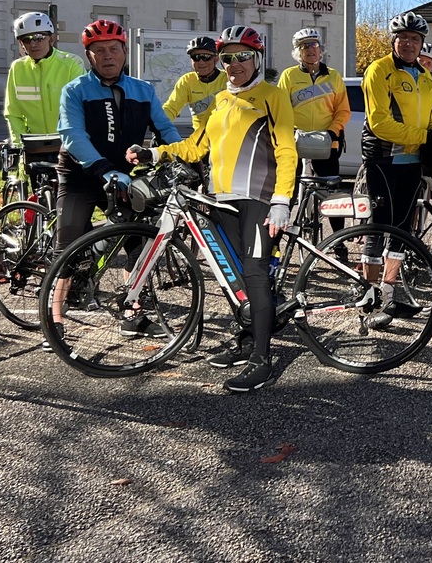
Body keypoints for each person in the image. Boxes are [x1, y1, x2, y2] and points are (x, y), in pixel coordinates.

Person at [128, 26, 297, 392]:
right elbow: (195, 146)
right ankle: (248, 339)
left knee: (253, 273)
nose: (234, 64)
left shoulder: (272, 95)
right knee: (231, 275)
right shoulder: (220, 99)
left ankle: (262, 360)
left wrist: (282, 199)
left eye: (242, 56)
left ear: (257, 59)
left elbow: (286, 149)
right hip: (220, 198)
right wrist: (154, 152)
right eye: (228, 58)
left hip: (258, 198)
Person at [49, 20, 181, 350]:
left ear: (124, 52)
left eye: (114, 49)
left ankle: (132, 313)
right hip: (81, 174)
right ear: (88, 56)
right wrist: (105, 169)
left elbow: (165, 129)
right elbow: (72, 135)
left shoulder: (142, 90)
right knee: (68, 245)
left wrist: (181, 157)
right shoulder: (76, 90)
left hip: (123, 176)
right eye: (99, 50)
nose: (107, 56)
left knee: (137, 244)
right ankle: (54, 320)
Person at [360, 12, 432, 329]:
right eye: (403, 38)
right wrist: (425, 138)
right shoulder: (379, 70)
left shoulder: (424, 75)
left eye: (415, 39)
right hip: (384, 159)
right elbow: (381, 123)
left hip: (412, 162)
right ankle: (368, 296)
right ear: (393, 41)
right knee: (378, 226)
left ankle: (389, 291)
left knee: (402, 229)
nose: (409, 43)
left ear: (422, 43)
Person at [277, 27, 352, 190]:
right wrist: (288, 132)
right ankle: (287, 215)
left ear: (321, 49)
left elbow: (343, 110)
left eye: (314, 44)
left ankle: (334, 216)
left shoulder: (333, 76)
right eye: (304, 46)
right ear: (298, 52)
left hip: (326, 141)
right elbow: (281, 110)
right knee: (287, 190)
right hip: (295, 140)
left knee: (332, 195)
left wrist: (333, 132)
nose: (310, 49)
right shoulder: (289, 76)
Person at [4, 11, 85, 147]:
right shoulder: (17, 68)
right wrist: (20, 146)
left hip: (68, 144)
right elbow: (13, 113)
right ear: (21, 43)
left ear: (51, 38)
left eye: (39, 37)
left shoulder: (72, 64)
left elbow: (80, 108)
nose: (33, 44)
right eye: (26, 39)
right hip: (32, 145)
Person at [161, 36, 225, 133]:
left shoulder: (227, 79)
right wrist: (159, 126)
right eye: (196, 57)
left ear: (216, 59)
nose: (201, 62)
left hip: (226, 136)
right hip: (200, 139)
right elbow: (171, 108)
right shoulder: (187, 81)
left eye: (206, 57)